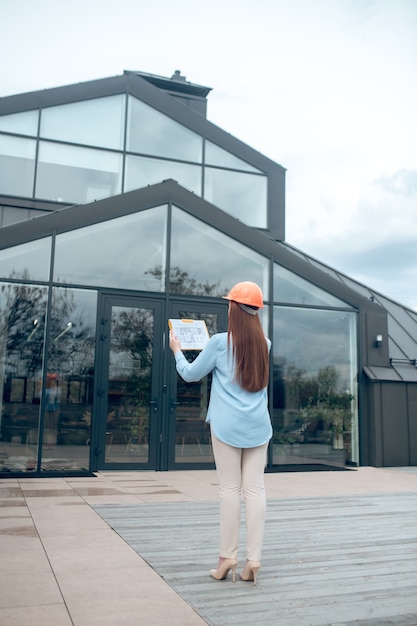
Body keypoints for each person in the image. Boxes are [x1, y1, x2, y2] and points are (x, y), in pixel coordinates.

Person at [169, 281, 272, 586]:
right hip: (259, 427)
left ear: (233, 309)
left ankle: (227, 556)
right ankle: (254, 559)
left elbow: (189, 374)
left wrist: (177, 350)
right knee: (255, 490)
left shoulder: (218, 342)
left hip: (226, 427)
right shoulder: (265, 344)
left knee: (230, 490)